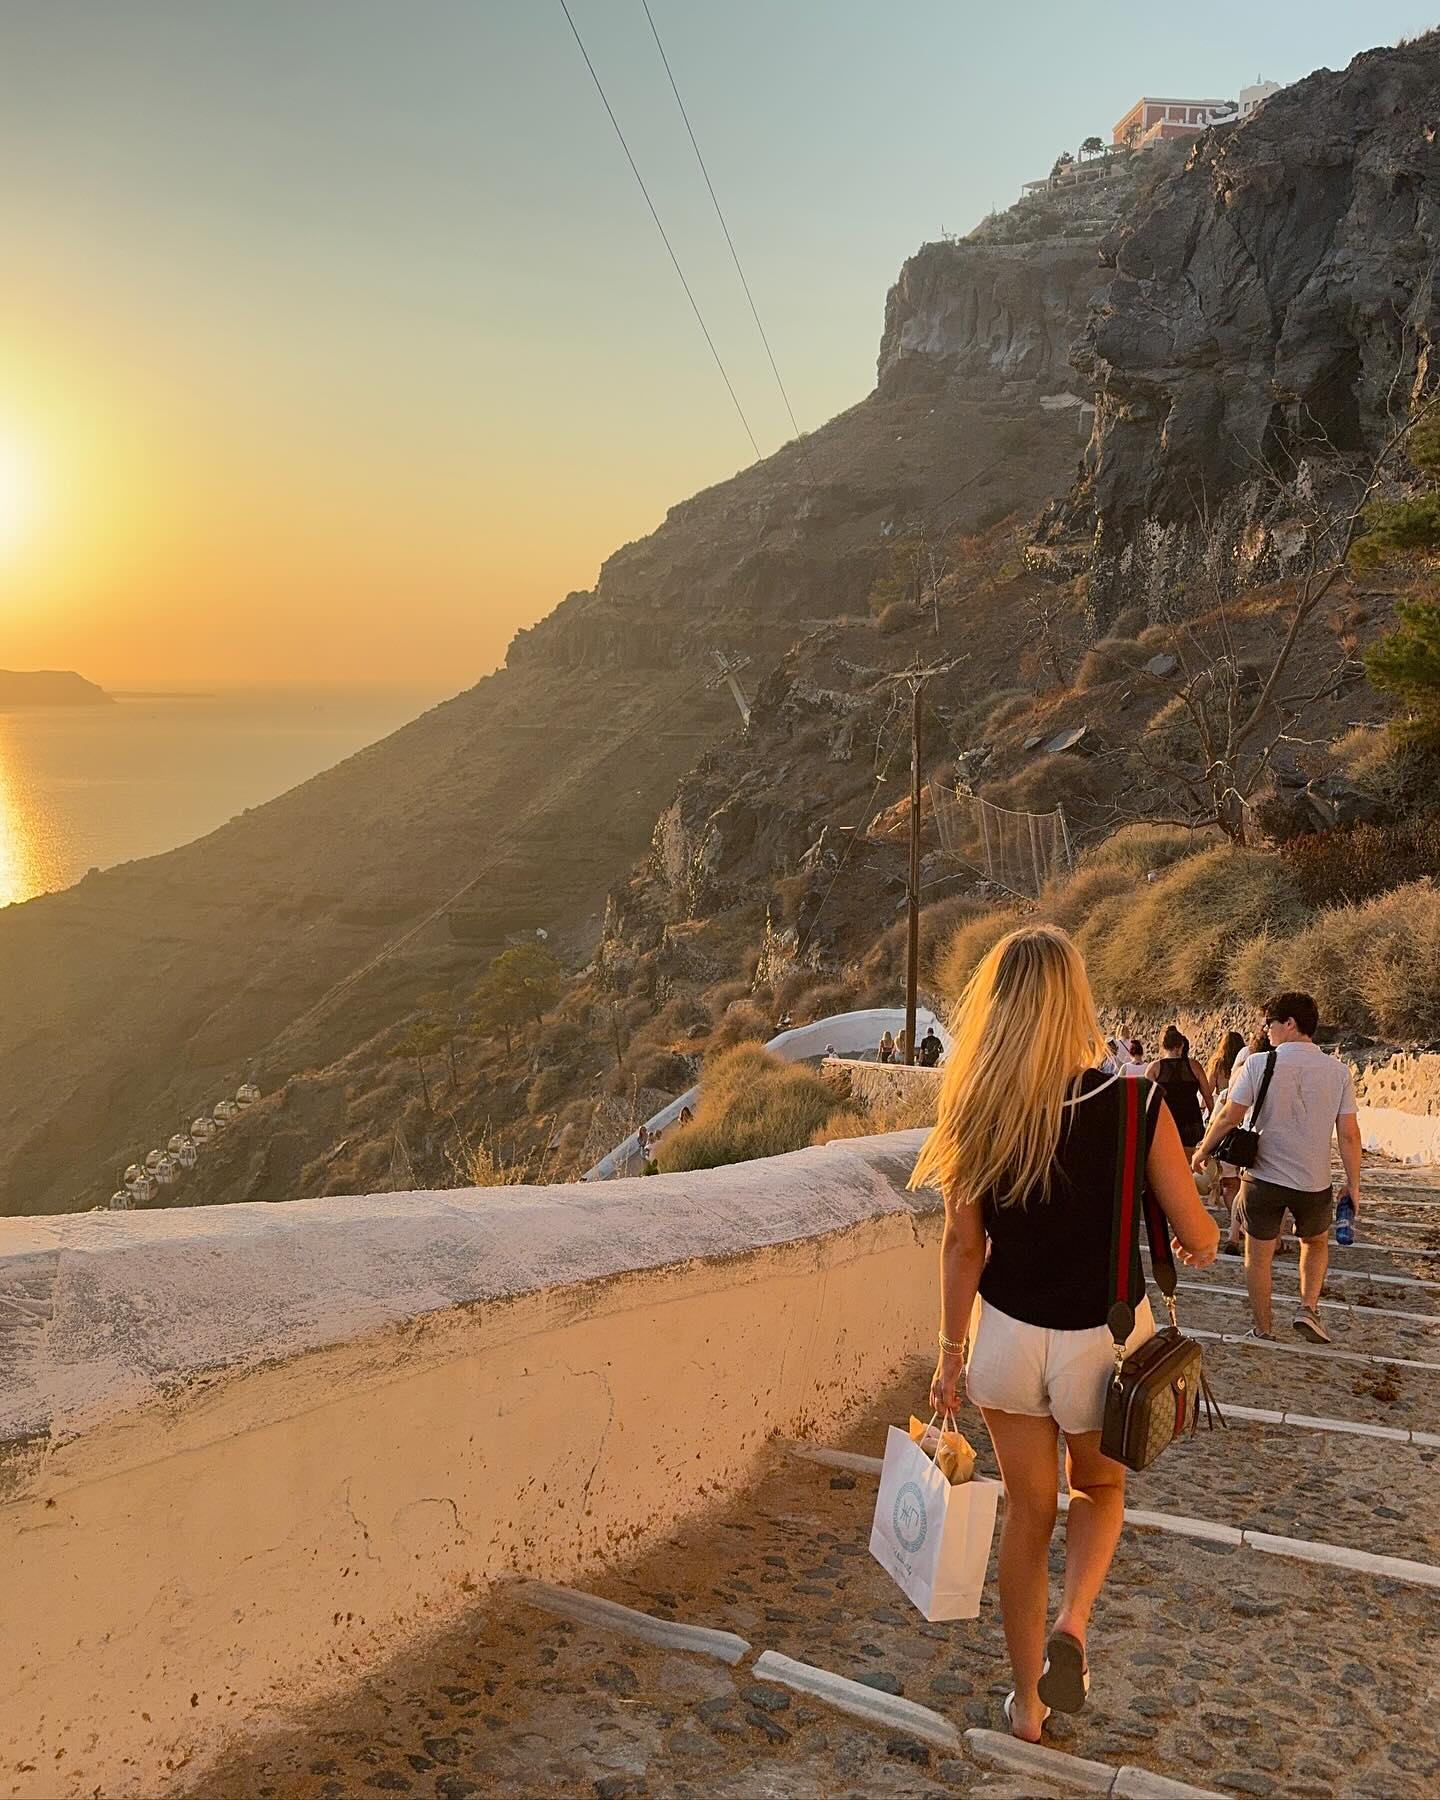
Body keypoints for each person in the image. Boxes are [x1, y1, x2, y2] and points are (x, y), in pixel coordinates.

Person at [915, 926, 1217, 1745]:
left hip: (1007, 1339)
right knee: (1101, 1490)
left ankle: (1027, 1707)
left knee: (1028, 1513)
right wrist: (1189, 1233)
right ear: (1074, 1001)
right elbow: (1200, 1235)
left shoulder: (976, 1108)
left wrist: (949, 1355)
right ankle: (1073, 1626)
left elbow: (963, 1246)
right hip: (1104, 1344)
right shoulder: (1136, 1103)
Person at [1190, 992, 1362, 1344]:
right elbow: (1349, 1134)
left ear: (1289, 1024)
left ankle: (1263, 1327)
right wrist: (1353, 1184)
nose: (1265, 1030)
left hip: (1262, 1178)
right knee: (1314, 1243)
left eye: (1269, 1023)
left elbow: (1229, 1115)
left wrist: (1203, 1149)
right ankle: (1308, 1308)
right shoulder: (1337, 1072)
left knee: (1258, 1254)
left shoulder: (1259, 1064)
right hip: (1314, 1182)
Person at [1205, 1031, 1247, 1255]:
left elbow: (1208, 1090)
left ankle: (1236, 1224)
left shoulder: (1218, 1063)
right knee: (1242, 1183)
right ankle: (1240, 1224)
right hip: (1245, 1121)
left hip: (1225, 1120)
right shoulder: (1249, 1064)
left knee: (1229, 1184)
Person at [1145, 1027, 1213, 1153]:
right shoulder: (1194, 1066)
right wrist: (1213, 1118)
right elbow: (1208, 1095)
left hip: (1166, 1123)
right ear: (1181, 1045)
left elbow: (1148, 1101)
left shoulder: (1153, 1068)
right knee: (1189, 1165)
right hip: (1191, 1122)